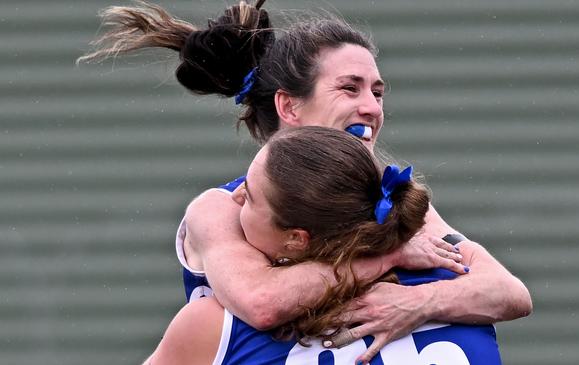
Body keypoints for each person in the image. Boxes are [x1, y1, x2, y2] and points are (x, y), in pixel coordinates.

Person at [80, 1, 532, 363]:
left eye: (377, 92)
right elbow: (260, 302)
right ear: (290, 108)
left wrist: (418, 303)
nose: (372, 107)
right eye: (349, 88)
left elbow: (507, 292)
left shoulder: (387, 197)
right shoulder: (227, 207)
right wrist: (388, 255)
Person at [145, 126, 503, 365]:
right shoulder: (460, 286)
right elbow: (512, 295)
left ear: (297, 239)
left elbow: (261, 303)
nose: (236, 198)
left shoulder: (217, 326)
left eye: (251, 196)